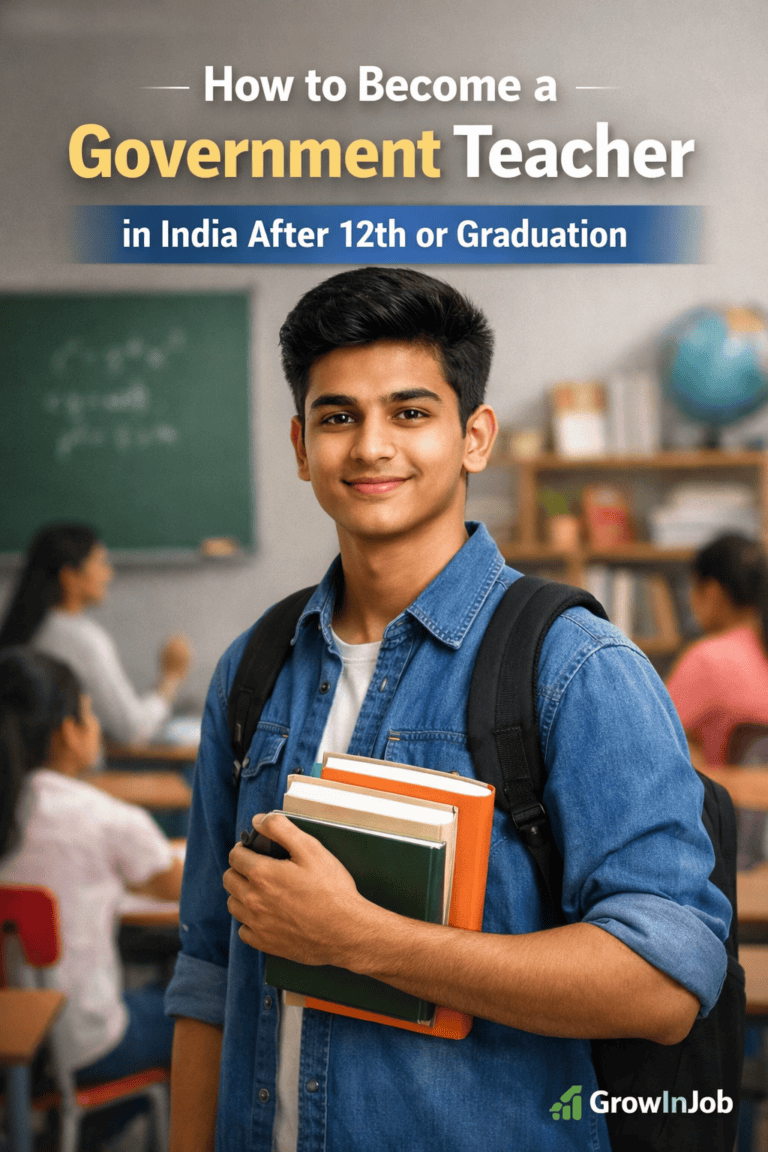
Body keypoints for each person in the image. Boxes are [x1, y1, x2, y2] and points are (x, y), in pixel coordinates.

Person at [165, 268, 730, 1152]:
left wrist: (365, 939)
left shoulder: (574, 668)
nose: (371, 446)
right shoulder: (254, 669)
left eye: (411, 413)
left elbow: (663, 985)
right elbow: (208, 971)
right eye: (338, 416)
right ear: (300, 444)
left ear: (474, 437)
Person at [0, 646, 183, 1083]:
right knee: (201, 1012)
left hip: (11, 1041)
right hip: (80, 1045)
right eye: (89, 712)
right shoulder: (101, 817)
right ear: (68, 732)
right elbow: (182, 888)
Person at [0, 523, 192, 745]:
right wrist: (170, 677)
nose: (109, 573)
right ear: (69, 576)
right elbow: (133, 730)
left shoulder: (28, 629)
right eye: (100, 563)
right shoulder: (82, 639)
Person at [666, 532, 768, 768]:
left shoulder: (707, 659)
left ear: (712, 593)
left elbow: (653, 741)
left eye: (693, 589)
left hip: (735, 801)